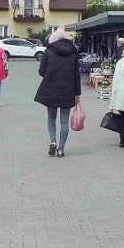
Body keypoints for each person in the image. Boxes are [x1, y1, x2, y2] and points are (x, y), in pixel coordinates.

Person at [34, 29, 81, 158]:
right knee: (64, 121)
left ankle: (53, 141)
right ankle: (61, 149)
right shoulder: (73, 53)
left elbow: (41, 71)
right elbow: (77, 75)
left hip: (51, 90)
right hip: (68, 90)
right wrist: (77, 94)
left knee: (51, 118)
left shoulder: (49, 51)